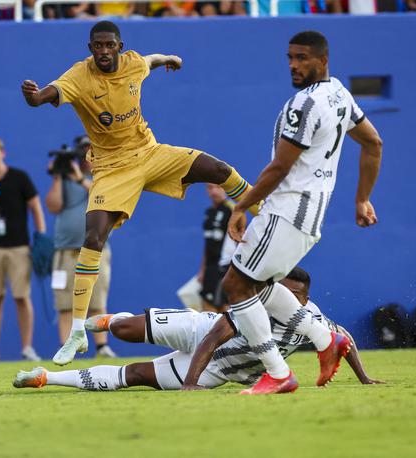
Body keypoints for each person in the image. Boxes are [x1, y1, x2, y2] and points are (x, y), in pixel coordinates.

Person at [21, 20, 262, 366]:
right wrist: (34, 97)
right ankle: (76, 333)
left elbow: (148, 60)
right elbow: (46, 96)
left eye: (109, 45)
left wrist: (167, 59)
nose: (104, 52)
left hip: (150, 154)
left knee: (218, 170)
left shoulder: (133, 62)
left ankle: (264, 210)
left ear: (119, 46)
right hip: (111, 168)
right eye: (97, 46)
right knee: (93, 238)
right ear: (90, 49)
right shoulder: (79, 75)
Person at [209, 30, 383, 394]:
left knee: (235, 286)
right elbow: (372, 142)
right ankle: (325, 339)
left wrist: (239, 205)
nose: (293, 65)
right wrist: (361, 199)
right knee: (259, 284)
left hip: (287, 211)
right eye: (290, 57)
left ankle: (277, 373)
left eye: (302, 58)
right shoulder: (339, 93)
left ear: (322, 60)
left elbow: (279, 168)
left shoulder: (304, 105)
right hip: (308, 216)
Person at [13, 267, 384, 391]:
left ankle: (46, 377)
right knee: (127, 331)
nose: (276, 293)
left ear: (301, 296)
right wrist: (189, 382)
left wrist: (364, 379)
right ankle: (103, 323)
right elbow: (212, 337)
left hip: (218, 370)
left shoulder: (311, 319)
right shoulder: (253, 305)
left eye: (287, 290)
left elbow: (343, 342)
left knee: (137, 375)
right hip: (201, 330)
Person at [0, 134, 46, 362]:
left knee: (22, 297)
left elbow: (36, 207)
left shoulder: (20, 177)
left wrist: (40, 237)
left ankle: (27, 348)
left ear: (2, 153)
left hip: (19, 247)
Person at [45, 135, 116, 357]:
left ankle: (102, 346)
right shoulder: (65, 180)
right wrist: (58, 176)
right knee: (65, 302)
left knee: (97, 301)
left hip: (96, 250)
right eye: (84, 151)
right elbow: (54, 206)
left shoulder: (105, 175)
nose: (88, 156)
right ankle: (67, 346)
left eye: (91, 150)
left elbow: (105, 198)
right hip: (65, 251)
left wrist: (79, 179)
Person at [197, 184, 236, 312]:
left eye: (218, 187)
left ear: (225, 188)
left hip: (225, 266)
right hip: (210, 268)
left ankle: (228, 331)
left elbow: (241, 240)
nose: (213, 191)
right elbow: (208, 244)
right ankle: (208, 331)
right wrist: (202, 270)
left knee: (224, 307)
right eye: (210, 187)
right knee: (206, 306)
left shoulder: (232, 210)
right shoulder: (209, 213)